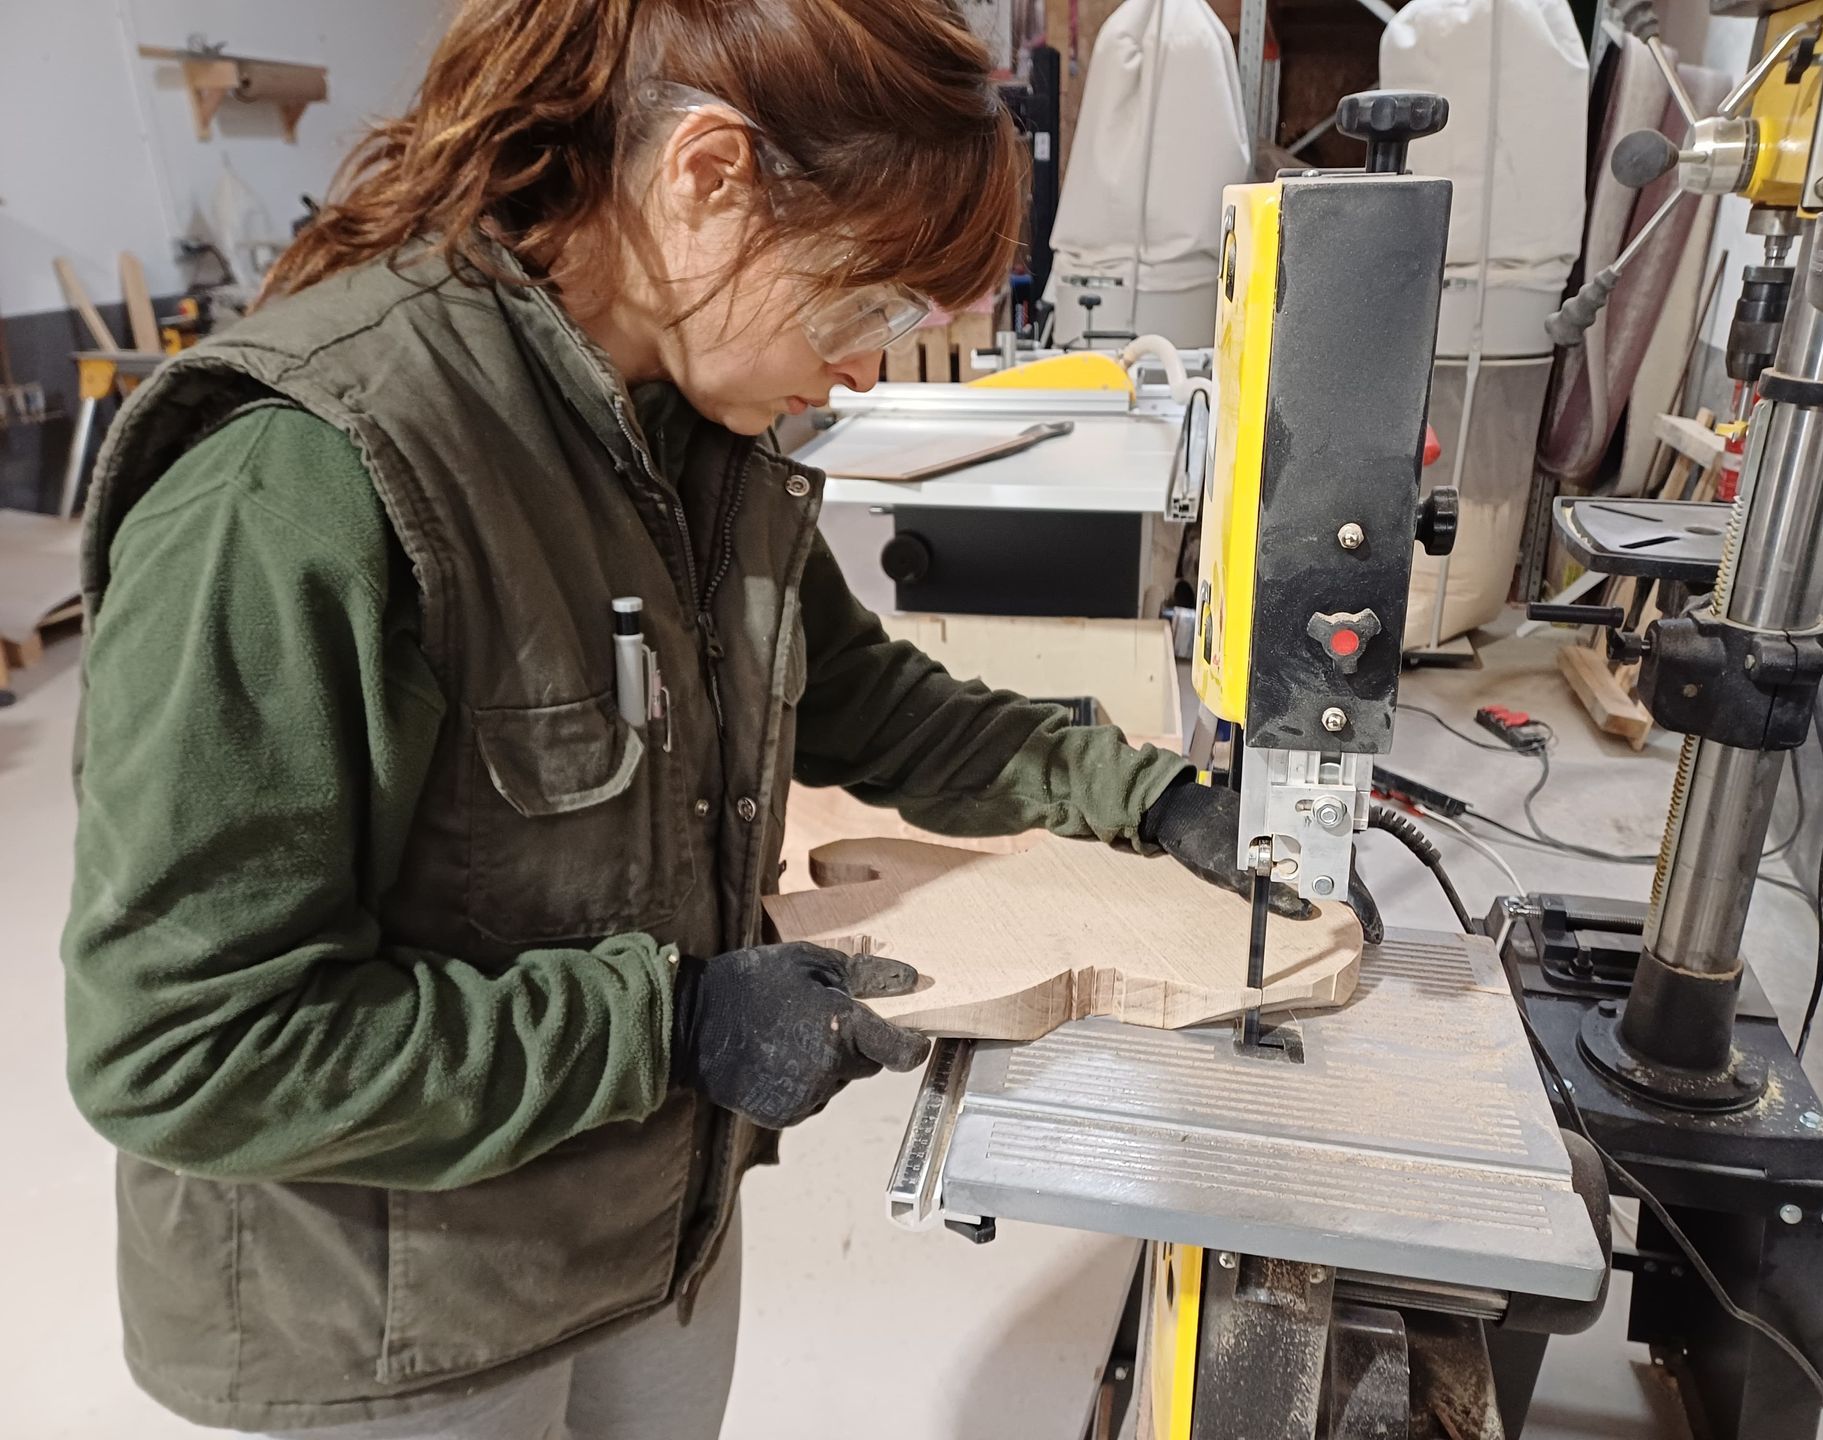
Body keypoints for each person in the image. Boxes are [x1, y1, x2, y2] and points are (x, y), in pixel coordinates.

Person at [62, 2, 1281, 1436]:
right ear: (709, 176)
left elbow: (866, 701)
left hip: (654, 1227)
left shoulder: (698, 435)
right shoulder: (301, 481)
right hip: (400, 1320)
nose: (867, 370)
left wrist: (1144, 795)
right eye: (868, 301)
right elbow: (183, 1044)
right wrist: (673, 1027)